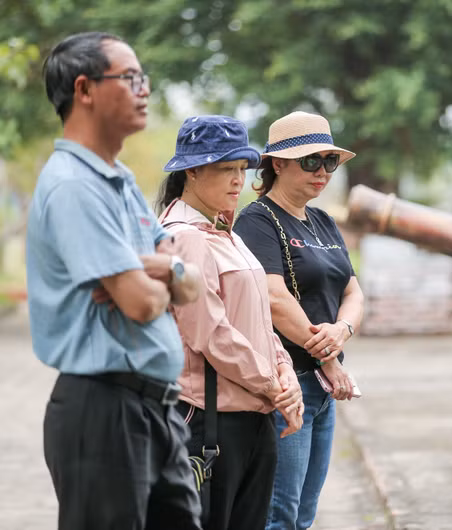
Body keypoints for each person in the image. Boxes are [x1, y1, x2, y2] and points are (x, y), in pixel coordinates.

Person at [27, 32, 203, 529]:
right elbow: (142, 305)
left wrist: (164, 268)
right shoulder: (73, 186)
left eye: (142, 78)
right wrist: (158, 273)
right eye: (130, 78)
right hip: (102, 411)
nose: (143, 89)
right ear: (84, 89)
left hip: (156, 408)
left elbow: (190, 286)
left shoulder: (119, 180)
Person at [156, 115, 304, 530]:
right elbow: (211, 333)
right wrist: (275, 387)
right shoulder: (183, 236)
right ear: (193, 171)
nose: (238, 180)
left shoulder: (228, 233)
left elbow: (259, 318)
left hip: (253, 415)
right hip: (210, 421)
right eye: (226, 169)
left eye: (243, 169)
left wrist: (286, 374)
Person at [233, 111, 365, 530]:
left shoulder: (323, 221)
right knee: (279, 514)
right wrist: (328, 359)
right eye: (311, 161)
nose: (322, 172)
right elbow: (273, 298)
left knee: (304, 513)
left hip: (324, 388)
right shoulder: (258, 221)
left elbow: (353, 291)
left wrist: (342, 330)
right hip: (289, 383)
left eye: (329, 161)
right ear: (277, 163)